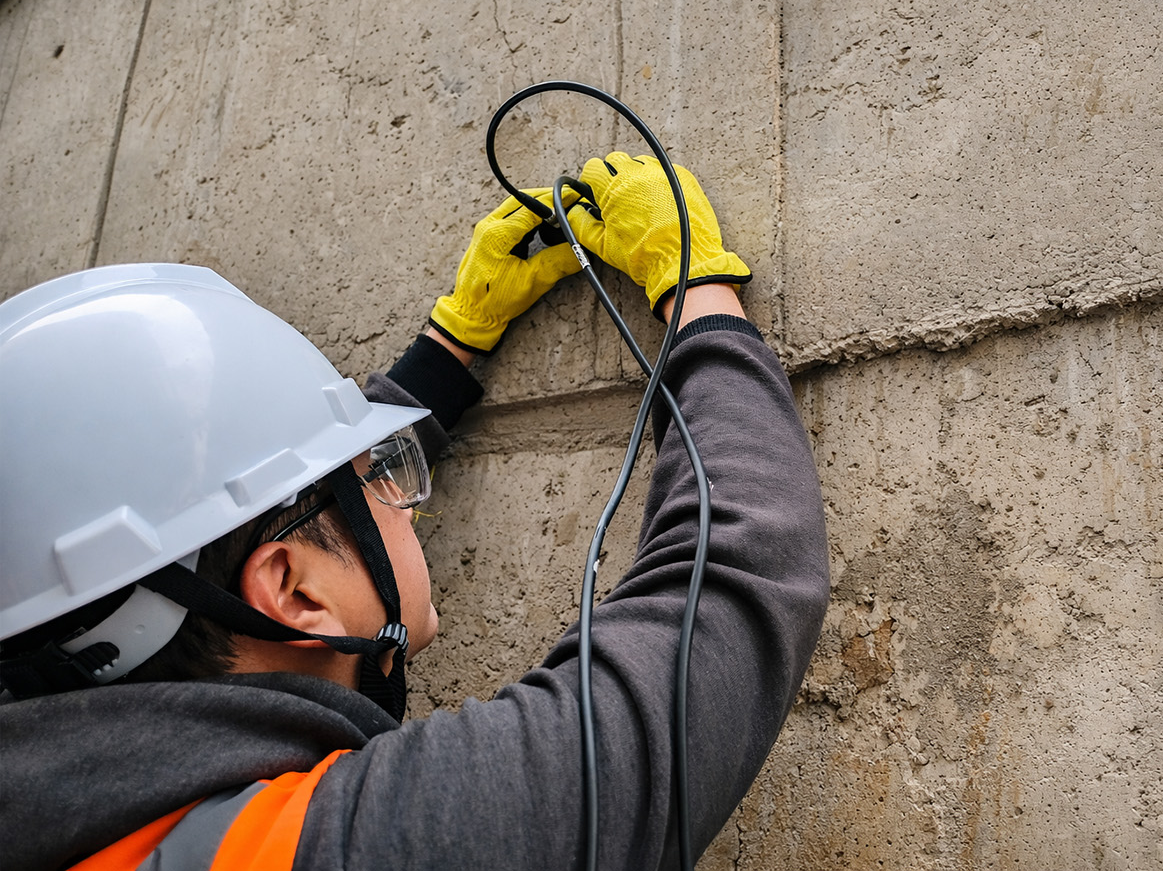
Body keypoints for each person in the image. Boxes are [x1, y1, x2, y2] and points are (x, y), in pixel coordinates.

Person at [0, 153, 829, 870]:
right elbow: (731, 583)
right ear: (292, 592)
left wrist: (454, 342)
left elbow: (244, 512)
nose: (404, 498)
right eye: (381, 475)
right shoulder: (326, 849)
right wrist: (697, 288)